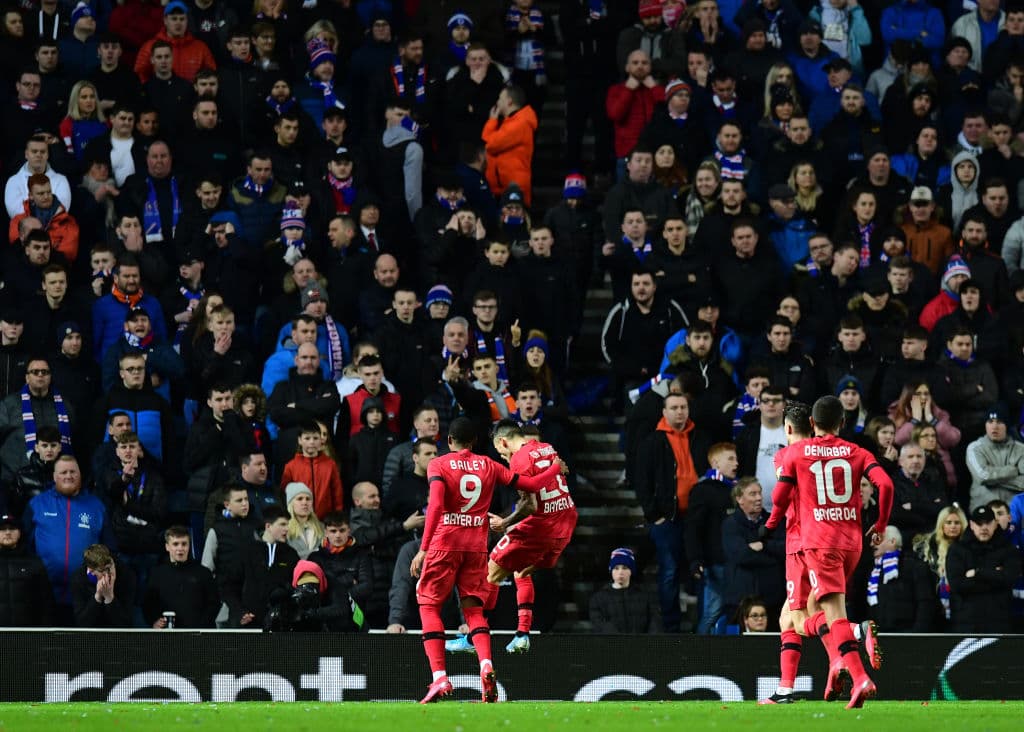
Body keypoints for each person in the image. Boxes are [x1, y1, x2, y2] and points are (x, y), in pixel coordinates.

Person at [409, 416, 562, 704]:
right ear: (475, 442)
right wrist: (555, 467)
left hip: (445, 543)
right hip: (477, 546)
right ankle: (486, 666)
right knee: (474, 609)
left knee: (429, 605)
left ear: (449, 441)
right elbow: (530, 484)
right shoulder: (489, 465)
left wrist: (424, 548)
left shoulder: (438, 464)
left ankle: (439, 678)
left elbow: (437, 505)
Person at [765, 395, 894, 708]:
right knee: (798, 614)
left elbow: (780, 498)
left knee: (799, 619)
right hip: (850, 539)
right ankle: (831, 665)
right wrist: (879, 524)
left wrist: (766, 527)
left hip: (806, 544)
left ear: (793, 427)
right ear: (842, 421)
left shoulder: (790, 455)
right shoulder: (852, 453)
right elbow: (885, 485)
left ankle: (853, 641)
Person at [480, 420, 577, 653]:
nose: (502, 456)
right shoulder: (546, 447)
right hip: (566, 522)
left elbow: (530, 505)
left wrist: (504, 523)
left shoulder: (518, 459)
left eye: (499, 451)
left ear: (503, 441)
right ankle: (522, 634)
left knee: (489, 573)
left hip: (541, 527)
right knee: (520, 570)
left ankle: (474, 635)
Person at [634, 391, 709, 632]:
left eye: (683, 407)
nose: (680, 412)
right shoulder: (651, 442)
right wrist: (654, 515)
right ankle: (671, 629)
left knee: (700, 570)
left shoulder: (701, 437)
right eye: (674, 407)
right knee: (670, 572)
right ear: (664, 412)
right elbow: (642, 482)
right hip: (668, 519)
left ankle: (704, 628)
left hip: (697, 518)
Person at [685, 442, 740, 634]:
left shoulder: (739, 489)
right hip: (715, 563)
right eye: (731, 459)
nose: (736, 463)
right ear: (715, 463)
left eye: (736, 458)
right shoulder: (703, 490)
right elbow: (692, 529)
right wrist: (695, 559)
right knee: (712, 613)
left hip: (736, 563)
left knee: (734, 612)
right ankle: (701, 656)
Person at [946, 504, 1021, 633]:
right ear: (971, 524)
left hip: (999, 622)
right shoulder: (957, 549)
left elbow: (1009, 579)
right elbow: (957, 584)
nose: (984, 528)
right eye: (979, 523)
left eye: (988, 523)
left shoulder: (1008, 549)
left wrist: (977, 572)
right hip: (965, 623)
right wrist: (995, 576)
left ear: (995, 524)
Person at [864, 525, 936, 633]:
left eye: (877, 539)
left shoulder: (915, 566)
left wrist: (918, 634)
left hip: (908, 636)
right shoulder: (873, 570)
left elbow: (925, 603)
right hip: (881, 635)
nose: (872, 544)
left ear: (892, 541)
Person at [144, 525, 218, 629]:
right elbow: (149, 604)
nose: (180, 548)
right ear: (167, 547)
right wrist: (154, 620)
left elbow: (213, 604)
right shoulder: (157, 574)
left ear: (189, 546)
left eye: (184, 544)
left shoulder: (203, 573)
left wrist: (201, 628)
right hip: (167, 637)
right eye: (175, 544)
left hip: (198, 637)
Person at [588, 546, 662, 633]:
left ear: (631, 571)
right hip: (612, 646)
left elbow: (655, 626)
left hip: (641, 645)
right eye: (616, 568)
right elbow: (599, 625)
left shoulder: (646, 597)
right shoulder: (598, 599)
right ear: (611, 571)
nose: (620, 572)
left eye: (625, 568)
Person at [0, 511, 53, 626]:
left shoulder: (34, 563)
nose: (8, 532)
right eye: (3, 529)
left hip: (27, 635)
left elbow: (46, 603)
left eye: (12, 528)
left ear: (20, 533)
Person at [966, 404, 1024, 508]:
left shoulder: (1020, 449)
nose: (994, 426)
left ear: (1007, 426)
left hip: (1012, 512)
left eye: (999, 422)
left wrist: (992, 480)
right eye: (990, 422)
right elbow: (983, 476)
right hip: (983, 512)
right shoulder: (975, 448)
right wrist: (1012, 471)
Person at [69, 543, 136, 628]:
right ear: (91, 571)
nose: (108, 574)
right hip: (91, 635)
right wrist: (97, 597)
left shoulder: (127, 576)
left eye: (109, 568)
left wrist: (109, 598)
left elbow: (126, 625)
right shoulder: (78, 579)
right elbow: (82, 623)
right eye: (103, 570)